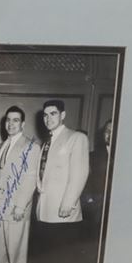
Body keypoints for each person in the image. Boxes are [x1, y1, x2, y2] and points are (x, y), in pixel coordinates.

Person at [0, 106, 40, 263]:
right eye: (8, 120)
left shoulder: (31, 147)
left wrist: (21, 205)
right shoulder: (1, 146)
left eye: (15, 120)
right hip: (0, 202)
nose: (11, 124)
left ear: (23, 124)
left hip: (17, 204)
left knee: (16, 242)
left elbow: (31, 179)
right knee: (0, 241)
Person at [35, 99, 90, 250]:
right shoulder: (46, 142)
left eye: (53, 114)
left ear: (63, 115)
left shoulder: (76, 138)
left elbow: (80, 173)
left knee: (62, 257)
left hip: (63, 211)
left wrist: (68, 203)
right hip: (44, 209)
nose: (48, 118)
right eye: (45, 115)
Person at [82, 119, 112, 235]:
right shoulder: (92, 156)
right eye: (107, 131)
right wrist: (89, 199)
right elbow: (85, 179)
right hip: (96, 204)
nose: (109, 134)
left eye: (113, 131)